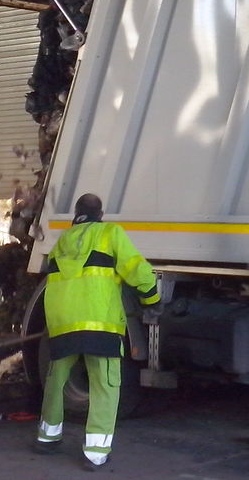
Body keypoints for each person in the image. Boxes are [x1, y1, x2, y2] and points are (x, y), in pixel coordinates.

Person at [36, 193, 160, 469]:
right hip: (99, 322)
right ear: (100, 214)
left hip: (62, 322)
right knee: (105, 384)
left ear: (76, 215)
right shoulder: (109, 233)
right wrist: (152, 297)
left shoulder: (61, 242)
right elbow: (134, 267)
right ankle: (95, 452)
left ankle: (47, 437)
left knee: (57, 380)